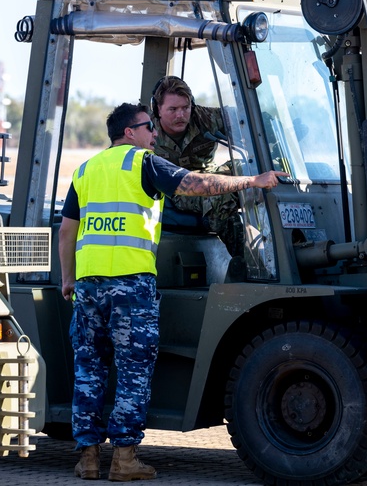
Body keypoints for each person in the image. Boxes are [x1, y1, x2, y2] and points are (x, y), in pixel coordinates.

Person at [58, 102, 286, 481]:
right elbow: (195, 184)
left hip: (89, 287)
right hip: (130, 286)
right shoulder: (141, 162)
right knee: (132, 372)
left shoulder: (85, 170)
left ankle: (88, 459)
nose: (154, 134)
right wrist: (251, 181)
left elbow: (67, 231)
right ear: (129, 133)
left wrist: (69, 278)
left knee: (89, 372)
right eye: (148, 127)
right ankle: (125, 459)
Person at [149, 76, 247, 258]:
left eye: (185, 108)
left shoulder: (206, 118)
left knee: (249, 172)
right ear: (158, 110)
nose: (180, 115)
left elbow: (248, 119)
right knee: (221, 199)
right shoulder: (146, 129)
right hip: (176, 187)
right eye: (173, 109)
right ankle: (247, 262)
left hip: (209, 175)